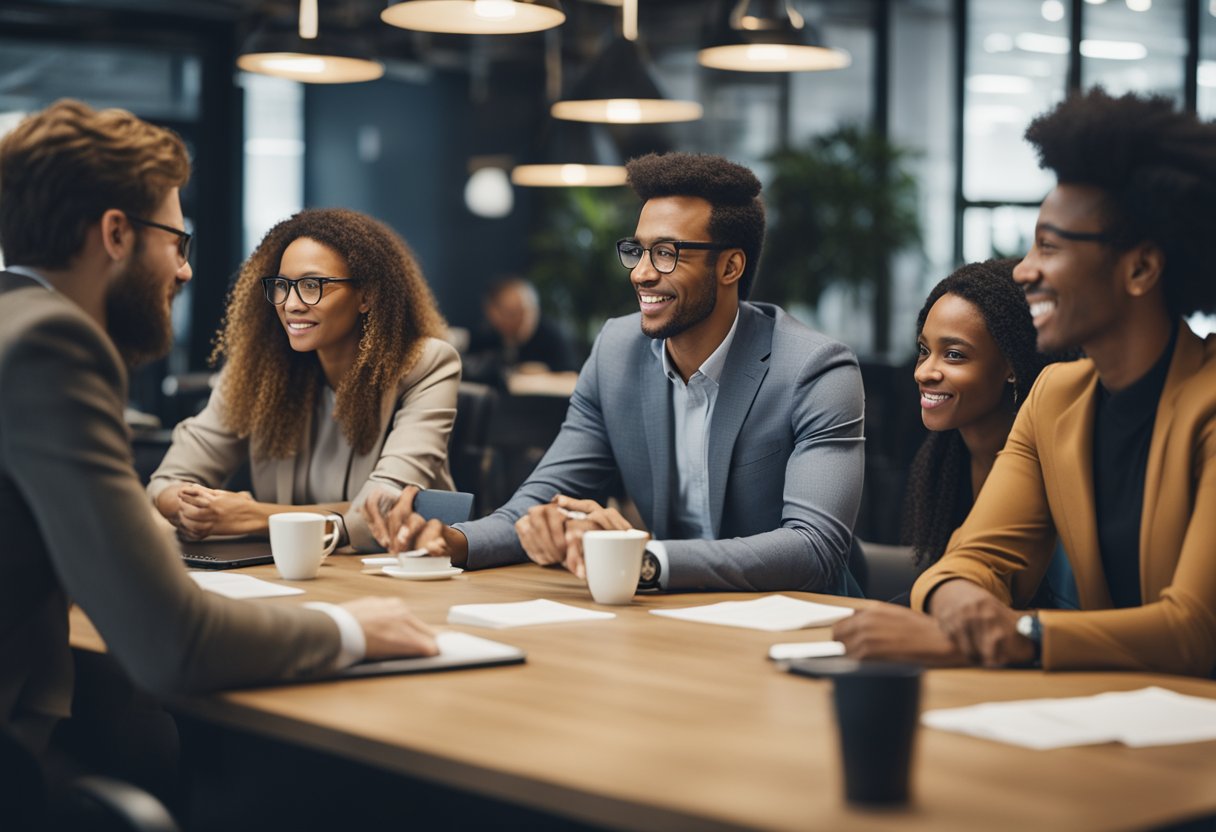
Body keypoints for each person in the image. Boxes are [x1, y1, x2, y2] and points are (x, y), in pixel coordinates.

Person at [0, 100, 438, 757]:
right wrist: (345, 629)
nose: (185, 270)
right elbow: (174, 643)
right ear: (117, 234)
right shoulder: (51, 345)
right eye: (177, 242)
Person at [836, 89, 1216, 677]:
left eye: (1050, 246)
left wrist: (1016, 635)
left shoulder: (1207, 404)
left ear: (1140, 268)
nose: (1024, 270)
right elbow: (968, 562)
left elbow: (1195, 628)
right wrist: (964, 611)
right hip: (1108, 716)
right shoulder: (1056, 396)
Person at [369, 151, 865, 594]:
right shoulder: (617, 350)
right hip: (666, 618)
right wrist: (451, 541)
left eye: (667, 253)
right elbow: (541, 501)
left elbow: (814, 549)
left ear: (730, 267)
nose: (642, 273)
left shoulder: (814, 368)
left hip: (802, 628)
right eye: (638, 250)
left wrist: (640, 557)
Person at [147, 207, 458, 552]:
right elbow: (165, 482)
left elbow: (382, 514)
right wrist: (193, 507)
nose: (291, 304)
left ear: (366, 296)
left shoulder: (426, 364)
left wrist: (253, 516)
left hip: (403, 573)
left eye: (312, 285)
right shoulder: (258, 371)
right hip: (294, 574)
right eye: (282, 286)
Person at [902, 259, 1076, 608]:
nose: (925, 372)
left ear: (1012, 367)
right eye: (924, 350)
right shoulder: (945, 457)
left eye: (953, 355)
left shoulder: (1051, 463)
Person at [462, 276, 579, 386]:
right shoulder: (486, 336)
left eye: (529, 311)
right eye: (513, 313)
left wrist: (545, 374)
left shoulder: (553, 337)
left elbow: (572, 378)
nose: (524, 319)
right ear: (493, 313)